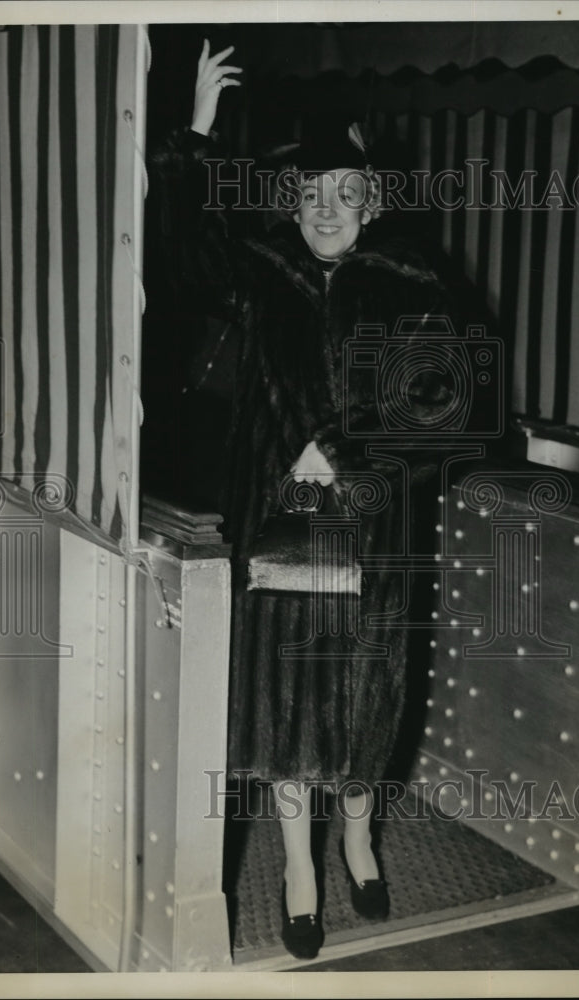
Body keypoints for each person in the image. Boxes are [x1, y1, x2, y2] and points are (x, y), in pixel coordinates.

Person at [152, 39, 468, 960]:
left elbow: (444, 408)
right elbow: (181, 259)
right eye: (311, 194)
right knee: (289, 705)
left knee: (366, 709)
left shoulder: (415, 288)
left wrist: (347, 455)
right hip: (279, 526)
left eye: (346, 193)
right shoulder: (263, 275)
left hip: (370, 530)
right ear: (293, 203)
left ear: (372, 202)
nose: (327, 210)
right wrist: (196, 137)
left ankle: (359, 837)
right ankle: (299, 868)